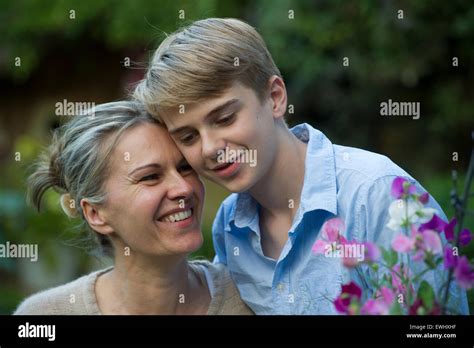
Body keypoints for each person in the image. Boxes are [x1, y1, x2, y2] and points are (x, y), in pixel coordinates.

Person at [133, 18, 469, 314]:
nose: (210, 149)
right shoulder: (229, 225)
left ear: (275, 97)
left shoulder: (379, 196)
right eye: (188, 137)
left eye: (224, 118)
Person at [14, 101, 253, 315]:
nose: (184, 189)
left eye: (184, 168)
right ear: (95, 214)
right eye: (150, 176)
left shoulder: (252, 298)